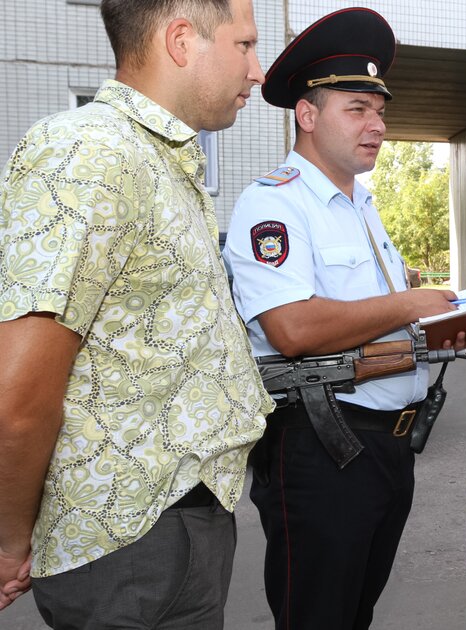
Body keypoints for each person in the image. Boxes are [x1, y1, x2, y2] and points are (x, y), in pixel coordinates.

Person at [0, 0, 273, 626]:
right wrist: (10, 539)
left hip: (179, 525)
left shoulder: (159, 159)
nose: (257, 71)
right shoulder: (89, 153)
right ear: (182, 40)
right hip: (126, 545)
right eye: (244, 45)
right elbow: (20, 394)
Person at [221, 8, 466, 629]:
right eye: (358, 109)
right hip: (323, 447)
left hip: (386, 447)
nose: (378, 126)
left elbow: (376, 321)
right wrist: (407, 305)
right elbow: (292, 329)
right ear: (307, 116)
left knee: (352, 615)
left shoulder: (360, 205)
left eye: (381, 111)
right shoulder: (276, 204)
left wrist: (441, 328)